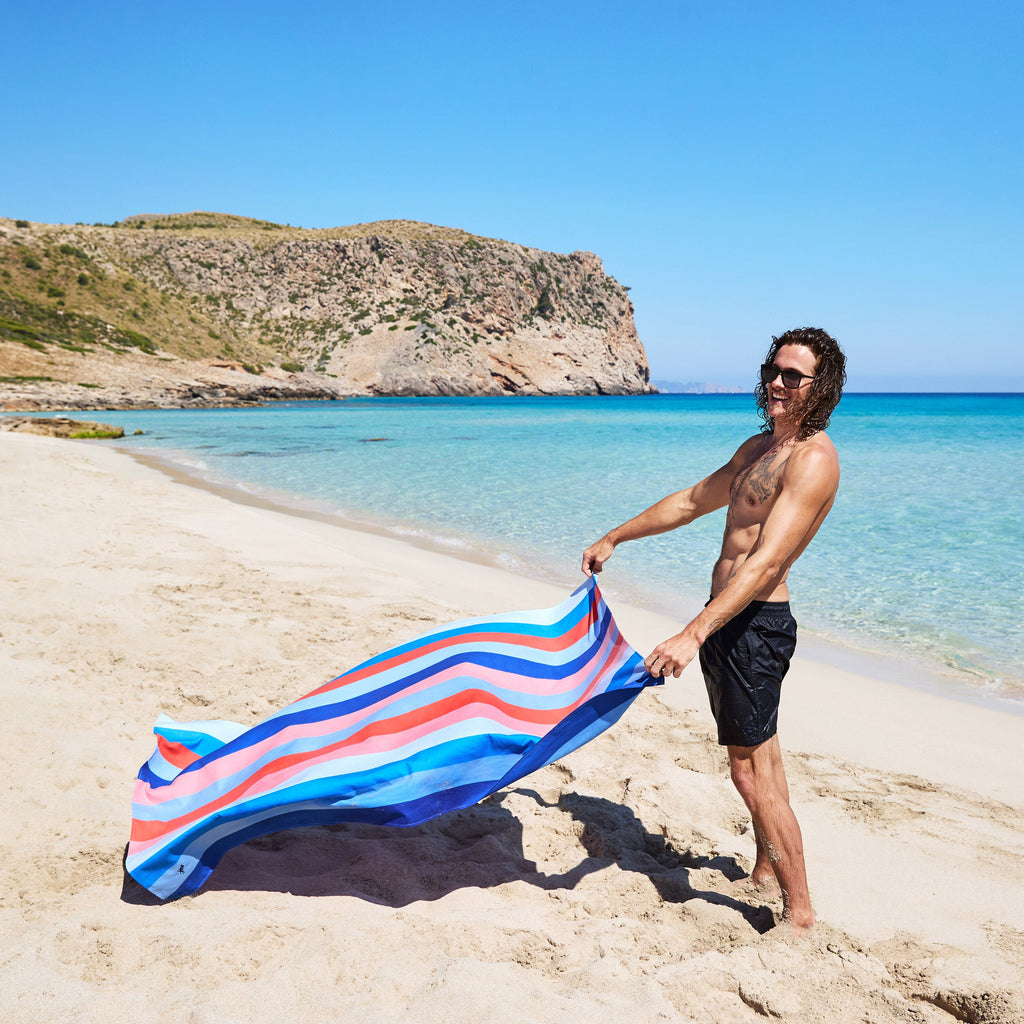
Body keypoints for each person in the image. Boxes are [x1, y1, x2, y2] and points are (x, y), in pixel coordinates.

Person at [581, 327, 847, 933]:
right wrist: (615, 536)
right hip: (728, 619)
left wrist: (693, 633)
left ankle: (800, 911)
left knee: (749, 770)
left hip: (752, 625)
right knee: (764, 760)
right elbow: (692, 501)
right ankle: (762, 867)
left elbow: (767, 562)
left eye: (794, 377)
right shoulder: (759, 448)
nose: (778, 383)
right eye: (774, 370)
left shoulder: (813, 461)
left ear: (819, 388)